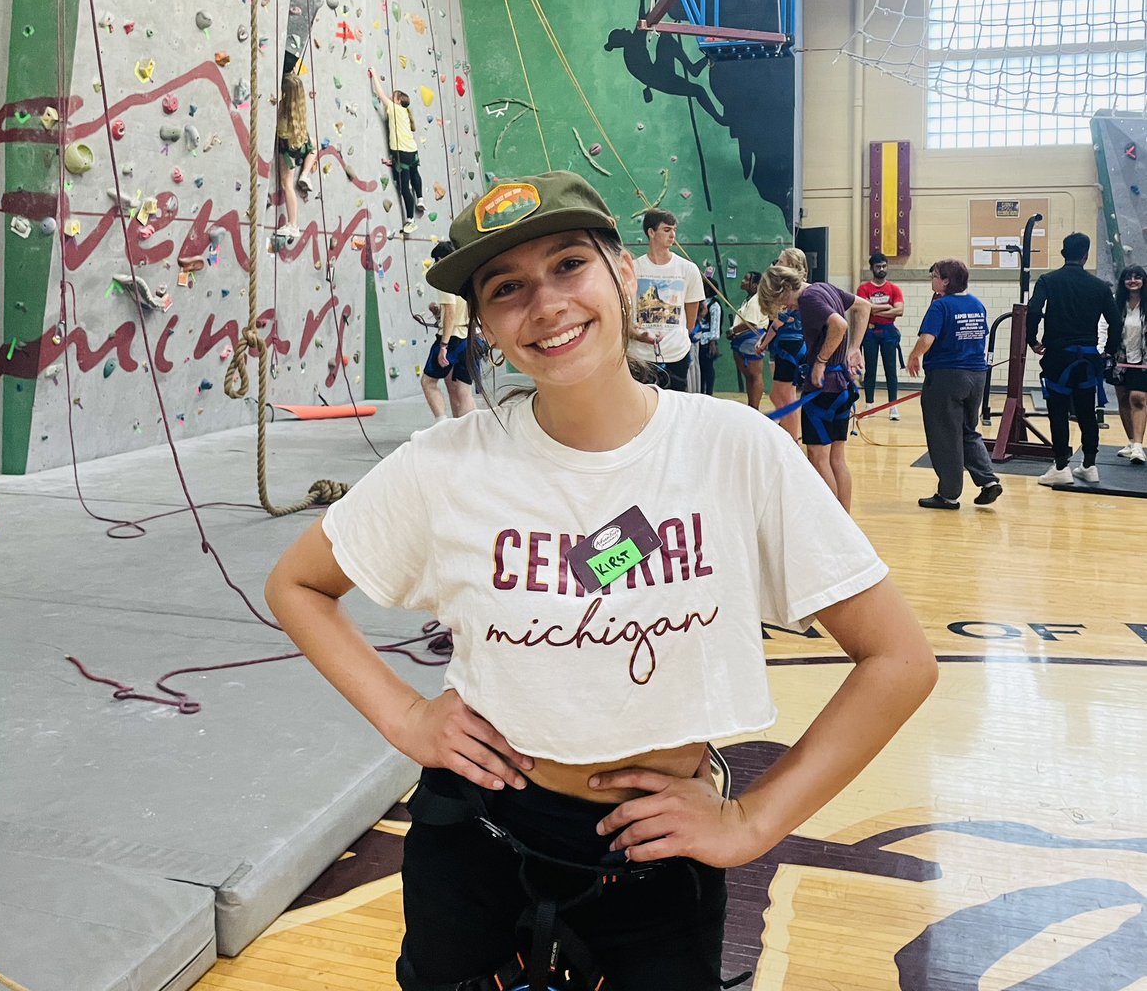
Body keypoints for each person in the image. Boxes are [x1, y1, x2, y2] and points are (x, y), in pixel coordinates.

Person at [265, 171, 937, 991]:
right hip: (477, 831)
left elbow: (898, 660)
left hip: (658, 849)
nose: (545, 304)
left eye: (567, 265)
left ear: (625, 274)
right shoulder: (444, 465)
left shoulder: (733, 448)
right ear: (483, 324)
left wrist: (754, 820)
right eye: (506, 288)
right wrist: (407, 716)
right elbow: (298, 586)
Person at [756, 264, 872, 512]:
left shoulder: (808, 299)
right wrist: (854, 349)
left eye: (780, 301)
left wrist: (819, 362)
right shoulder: (824, 287)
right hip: (842, 386)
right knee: (837, 459)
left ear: (785, 288)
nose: (786, 308)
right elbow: (864, 307)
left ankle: (831, 521)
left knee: (819, 459)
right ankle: (845, 523)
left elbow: (839, 325)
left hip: (824, 389)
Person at [906, 259, 1002, 510]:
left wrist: (914, 355)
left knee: (944, 435)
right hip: (976, 376)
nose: (932, 279)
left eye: (935, 275)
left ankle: (948, 494)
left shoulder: (942, 306)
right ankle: (988, 481)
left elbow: (927, 338)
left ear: (946, 281)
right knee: (969, 430)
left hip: (947, 376)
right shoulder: (977, 305)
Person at [1028, 233, 1121, 487]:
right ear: (1086, 255)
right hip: (1089, 358)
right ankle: (1090, 465)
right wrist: (1108, 351)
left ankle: (1060, 466)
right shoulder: (1100, 286)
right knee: (1087, 412)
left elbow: (1034, 310)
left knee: (1058, 411)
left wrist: (1032, 340)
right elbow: (1116, 321)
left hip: (1058, 356)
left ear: (1062, 253)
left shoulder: (1048, 280)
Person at [626, 209, 704, 392]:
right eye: (667, 230)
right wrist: (638, 335)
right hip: (640, 355)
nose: (672, 235)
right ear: (651, 232)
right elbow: (625, 314)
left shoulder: (688, 269)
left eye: (674, 230)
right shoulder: (633, 269)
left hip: (676, 353)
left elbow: (691, 320)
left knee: (676, 406)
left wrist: (674, 336)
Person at [754, 247, 809, 440]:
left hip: (791, 346)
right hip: (784, 345)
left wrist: (763, 342)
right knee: (779, 395)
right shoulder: (787, 292)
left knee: (785, 398)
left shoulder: (797, 292)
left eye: (780, 262)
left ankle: (792, 440)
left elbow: (779, 321)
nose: (776, 265)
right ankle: (787, 434)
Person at [420, 241, 478, 420]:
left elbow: (452, 311)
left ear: (440, 260)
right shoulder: (467, 277)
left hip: (452, 339)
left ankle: (442, 424)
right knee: (461, 389)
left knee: (428, 382)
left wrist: (444, 345)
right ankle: (468, 430)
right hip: (470, 336)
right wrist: (438, 312)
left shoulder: (445, 279)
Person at [370, 68, 423, 235]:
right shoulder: (405, 114)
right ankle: (420, 199)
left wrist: (374, 75)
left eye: (394, 97)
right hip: (412, 151)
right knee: (415, 173)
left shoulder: (395, 109)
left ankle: (410, 220)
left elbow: (380, 95)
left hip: (402, 153)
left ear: (398, 101)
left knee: (404, 187)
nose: (391, 98)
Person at [856, 252, 905, 421]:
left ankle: (893, 406)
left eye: (884, 266)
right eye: (878, 267)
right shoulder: (863, 289)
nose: (882, 269)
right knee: (870, 369)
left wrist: (875, 308)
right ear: (872, 268)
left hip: (889, 332)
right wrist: (888, 307)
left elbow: (900, 310)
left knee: (891, 370)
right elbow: (864, 309)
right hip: (870, 331)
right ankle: (869, 404)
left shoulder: (893, 288)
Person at [1111, 264, 1147, 464]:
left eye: (1137, 277)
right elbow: (1105, 326)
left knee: (1138, 398)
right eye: (1129, 277)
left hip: (1143, 361)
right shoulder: (1117, 304)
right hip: (1120, 359)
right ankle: (1132, 442)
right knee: (1124, 399)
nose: (1133, 281)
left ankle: (1139, 447)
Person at [275, 70, 316, 241]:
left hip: (288, 151)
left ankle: (293, 225)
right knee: (314, 145)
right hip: (301, 143)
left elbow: (281, 134)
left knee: (287, 185)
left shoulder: (284, 114)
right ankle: (305, 173)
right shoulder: (300, 105)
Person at [727, 270, 767, 410]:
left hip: (751, 339)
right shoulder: (749, 299)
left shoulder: (756, 301)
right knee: (750, 376)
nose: (743, 281)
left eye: (746, 279)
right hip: (742, 340)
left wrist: (733, 331)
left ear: (755, 285)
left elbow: (751, 323)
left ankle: (754, 407)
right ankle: (751, 406)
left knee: (755, 375)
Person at [690, 274, 722, 396]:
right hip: (697, 338)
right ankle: (700, 391)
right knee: (700, 368)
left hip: (706, 341)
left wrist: (713, 341)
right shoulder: (700, 302)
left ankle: (708, 392)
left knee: (707, 368)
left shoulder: (714, 305)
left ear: (708, 289)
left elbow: (715, 323)